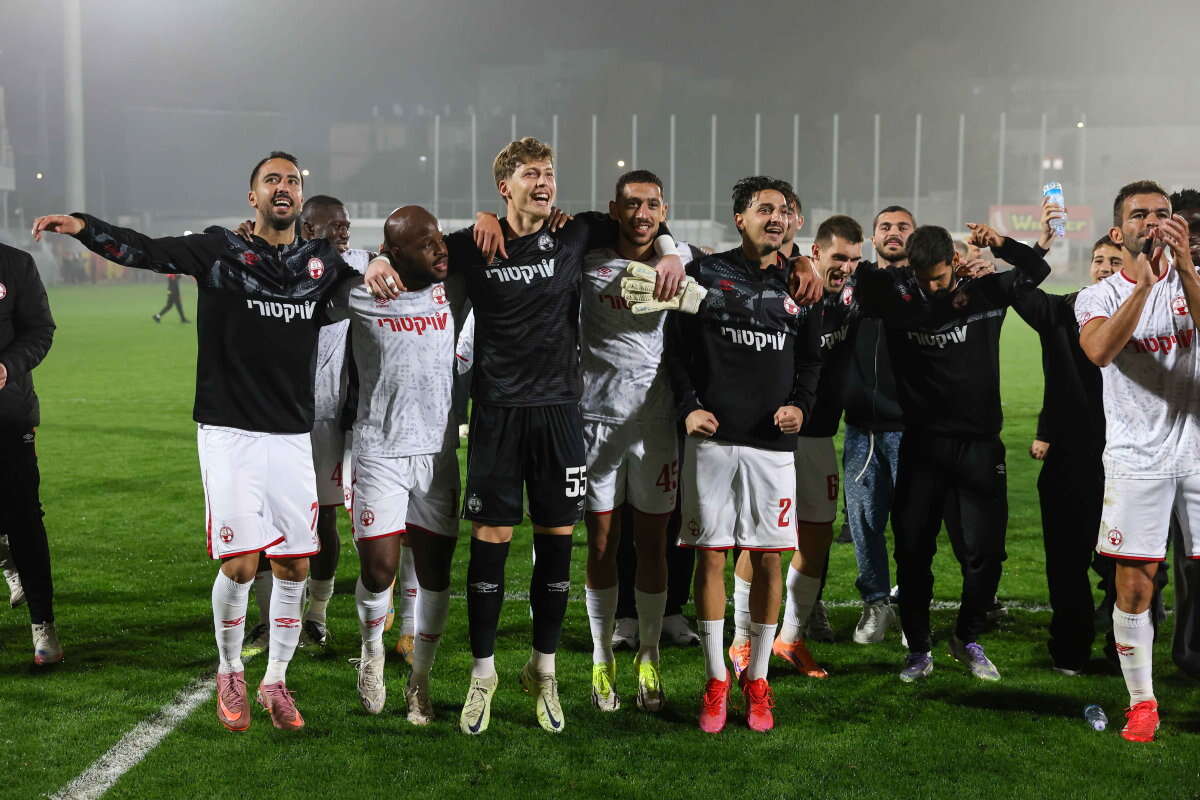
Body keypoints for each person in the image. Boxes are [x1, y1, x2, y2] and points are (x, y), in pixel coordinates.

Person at [32, 151, 401, 731]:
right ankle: (230, 669)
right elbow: (145, 250)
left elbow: (363, 264)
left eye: (292, 180)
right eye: (272, 179)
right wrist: (83, 226)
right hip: (229, 430)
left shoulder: (318, 262)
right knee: (241, 562)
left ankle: (275, 681)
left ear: (300, 196)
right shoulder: (219, 250)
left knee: (295, 566)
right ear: (253, 196)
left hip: (291, 433)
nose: (284, 186)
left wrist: (378, 260)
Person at [433, 137, 686, 735]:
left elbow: (642, 222)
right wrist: (471, 223)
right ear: (505, 186)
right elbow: (410, 250)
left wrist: (671, 249)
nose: (544, 182)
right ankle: (483, 674)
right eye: (530, 174)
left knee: (556, 545)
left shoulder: (575, 234)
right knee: (490, 543)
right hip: (496, 413)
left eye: (548, 172)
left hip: (561, 413)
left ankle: (543, 672)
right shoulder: (473, 244)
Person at [854, 221, 1050, 683]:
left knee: (987, 553)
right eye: (923, 279)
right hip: (921, 445)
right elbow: (858, 275)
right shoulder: (897, 295)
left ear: (955, 263)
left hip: (980, 446)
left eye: (940, 278)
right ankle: (919, 649)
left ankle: (967, 638)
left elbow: (1036, 270)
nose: (932, 288)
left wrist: (999, 245)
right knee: (913, 551)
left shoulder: (984, 291)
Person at [663, 175, 822, 733]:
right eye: (764, 209)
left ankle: (757, 679)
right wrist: (688, 407)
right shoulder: (706, 273)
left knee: (770, 557)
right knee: (710, 557)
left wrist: (801, 405)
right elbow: (675, 350)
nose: (775, 218)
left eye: (784, 210)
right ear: (740, 218)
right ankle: (715, 679)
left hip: (773, 446)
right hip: (712, 441)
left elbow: (812, 361)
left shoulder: (803, 284)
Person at [1075, 180, 1200, 742]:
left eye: (1162, 213)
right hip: (1136, 461)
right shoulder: (1097, 295)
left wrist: (1186, 270)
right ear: (1117, 230)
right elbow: (1100, 350)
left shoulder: (1193, 280)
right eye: (1140, 214)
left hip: (1197, 456)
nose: (1152, 222)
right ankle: (1142, 703)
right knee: (1134, 588)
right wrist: (1143, 286)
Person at [330, 206, 460, 725]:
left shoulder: (452, 284)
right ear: (395, 252)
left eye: (439, 238)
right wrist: (369, 263)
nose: (440, 248)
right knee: (378, 569)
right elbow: (322, 259)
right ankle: (372, 653)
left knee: (434, 573)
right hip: (379, 450)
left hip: (436, 454)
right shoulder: (363, 291)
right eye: (426, 244)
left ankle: (420, 681)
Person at [581, 169, 700, 713]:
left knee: (654, 544)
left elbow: (739, 266)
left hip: (655, 428)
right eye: (632, 204)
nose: (642, 214)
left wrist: (674, 253)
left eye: (652, 205)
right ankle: (602, 659)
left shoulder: (684, 261)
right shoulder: (588, 259)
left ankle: (648, 656)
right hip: (595, 421)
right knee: (601, 544)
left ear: (664, 211)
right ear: (615, 209)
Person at [1015, 199, 1119, 675]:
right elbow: (1018, 288)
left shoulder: (1148, 315)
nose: (1104, 268)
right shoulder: (1064, 310)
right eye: (1099, 260)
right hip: (1073, 458)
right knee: (1066, 562)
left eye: (1114, 261)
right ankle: (1071, 649)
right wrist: (1039, 242)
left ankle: (1124, 649)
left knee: (1126, 565)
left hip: (1127, 459)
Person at [842, 206, 913, 645]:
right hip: (861, 429)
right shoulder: (856, 283)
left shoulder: (926, 286)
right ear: (873, 238)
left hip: (911, 428)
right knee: (864, 523)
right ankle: (875, 603)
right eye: (885, 227)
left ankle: (911, 605)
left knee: (912, 525)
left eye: (903, 227)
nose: (893, 232)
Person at [0, 241, 58, 664]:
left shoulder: (15, 264)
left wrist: (7, 367)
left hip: (8, 413)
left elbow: (40, 330)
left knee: (23, 517)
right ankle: (7, 558)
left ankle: (43, 625)